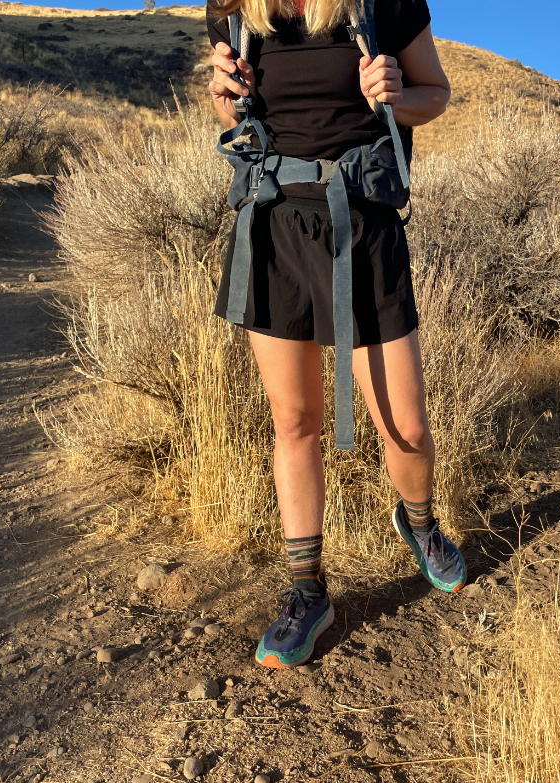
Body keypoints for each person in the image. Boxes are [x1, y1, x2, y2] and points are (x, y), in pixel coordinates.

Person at [205, 0, 465, 669]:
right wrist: (222, 95)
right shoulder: (234, 8)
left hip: (363, 229)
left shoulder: (380, 2)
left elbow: (435, 94)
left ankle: (419, 524)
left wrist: (398, 96)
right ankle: (307, 591)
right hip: (272, 227)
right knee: (294, 421)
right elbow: (235, 118)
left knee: (402, 425)